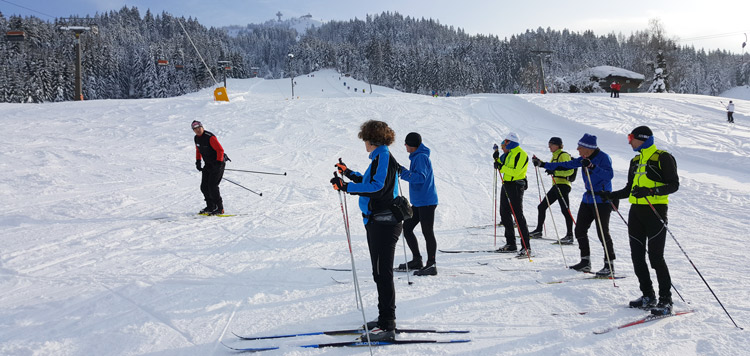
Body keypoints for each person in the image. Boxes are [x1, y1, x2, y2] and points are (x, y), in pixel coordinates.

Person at [330, 120, 402, 341]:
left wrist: (346, 187)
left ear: (372, 139)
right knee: (379, 273)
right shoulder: (380, 157)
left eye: (365, 139)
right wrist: (349, 174)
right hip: (377, 221)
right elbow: (371, 181)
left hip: (384, 223)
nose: (364, 143)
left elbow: (377, 187)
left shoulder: (384, 157)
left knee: (383, 273)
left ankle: (387, 325)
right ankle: (383, 320)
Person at [603, 126, 679, 315]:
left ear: (643, 139)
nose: (629, 141)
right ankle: (648, 296)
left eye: (631, 138)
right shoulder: (635, 160)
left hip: (655, 211)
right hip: (636, 211)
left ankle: (666, 301)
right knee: (637, 256)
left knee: (656, 257)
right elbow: (630, 188)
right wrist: (612, 195)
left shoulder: (662, 157)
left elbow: (674, 185)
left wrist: (652, 191)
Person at [533, 134, 616, 276]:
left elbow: (609, 175)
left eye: (580, 147)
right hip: (588, 198)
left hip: (602, 200)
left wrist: (592, 166)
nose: (577, 149)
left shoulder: (603, 157)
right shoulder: (584, 158)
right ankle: (585, 262)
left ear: (588, 148)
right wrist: (543, 164)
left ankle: (609, 266)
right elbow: (567, 164)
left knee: (602, 233)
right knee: (580, 230)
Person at [397, 132, 439, 276]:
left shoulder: (420, 157)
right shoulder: (417, 156)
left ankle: (431, 264)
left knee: (427, 231)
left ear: (412, 145)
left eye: (406, 143)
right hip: (420, 202)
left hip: (426, 202)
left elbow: (420, 177)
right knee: (407, 228)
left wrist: (403, 173)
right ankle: (417, 260)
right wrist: (403, 170)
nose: (405, 146)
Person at [529, 137, 575, 244]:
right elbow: (551, 167)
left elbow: (570, 171)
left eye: (551, 144)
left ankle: (570, 235)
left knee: (565, 210)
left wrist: (555, 172)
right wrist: (539, 163)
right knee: (541, 207)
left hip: (563, 185)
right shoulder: (554, 157)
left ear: (557, 145)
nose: (549, 146)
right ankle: (539, 231)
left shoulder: (563, 155)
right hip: (556, 185)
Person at [493, 132, 531, 257]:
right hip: (507, 184)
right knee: (504, 213)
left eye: (506, 141)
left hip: (516, 185)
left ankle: (526, 246)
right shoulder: (509, 154)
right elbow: (502, 163)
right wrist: (497, 159)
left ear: (511, 142)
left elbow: (516, 171)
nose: (504, 143)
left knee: (517, 214)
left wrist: (501, 167)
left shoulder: (521, 154)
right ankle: (511, 243)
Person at [193, 120, 226, 215]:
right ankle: (211, 206)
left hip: (218, 163)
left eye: (199, 128)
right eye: (195, 129)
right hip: (208, 164)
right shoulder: (196, 138)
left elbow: (220, 150)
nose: (198, 130)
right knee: (204, 187)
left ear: (202, 127)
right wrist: (198, 161)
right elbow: (198, 150)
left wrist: (219, 164)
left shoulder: (209, 137)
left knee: (212, 186)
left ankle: (220, 208)